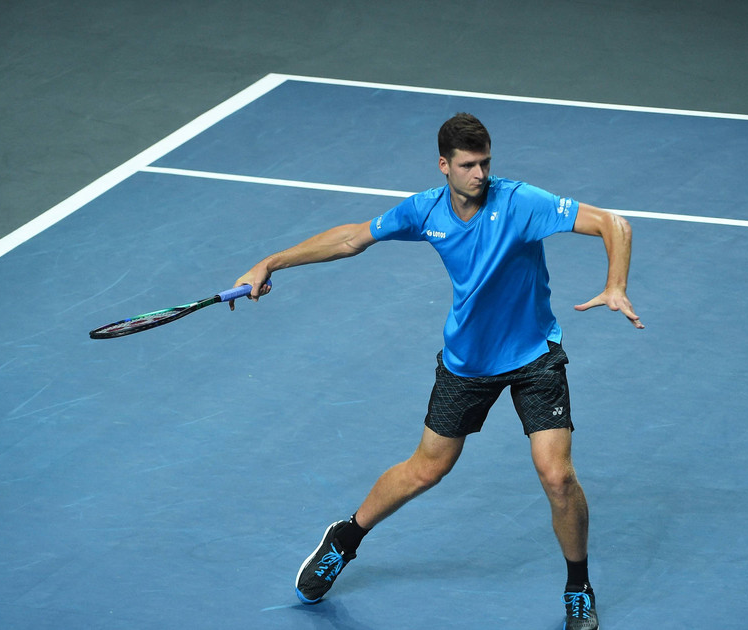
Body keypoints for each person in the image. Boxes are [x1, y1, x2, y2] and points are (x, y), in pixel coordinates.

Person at [232, 112, 642, 630]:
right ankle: (346, 539)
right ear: (444, 166)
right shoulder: (425, 211)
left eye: (486, 163)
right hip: (467, 365)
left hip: (535, 356)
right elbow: (351, 238)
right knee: (427, 469)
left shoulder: (520, 203)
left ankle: (578, 586)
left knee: (557, 475)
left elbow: (613, 223)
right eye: (468, 165)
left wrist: (616, 284)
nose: (480, 174)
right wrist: (271, 261)